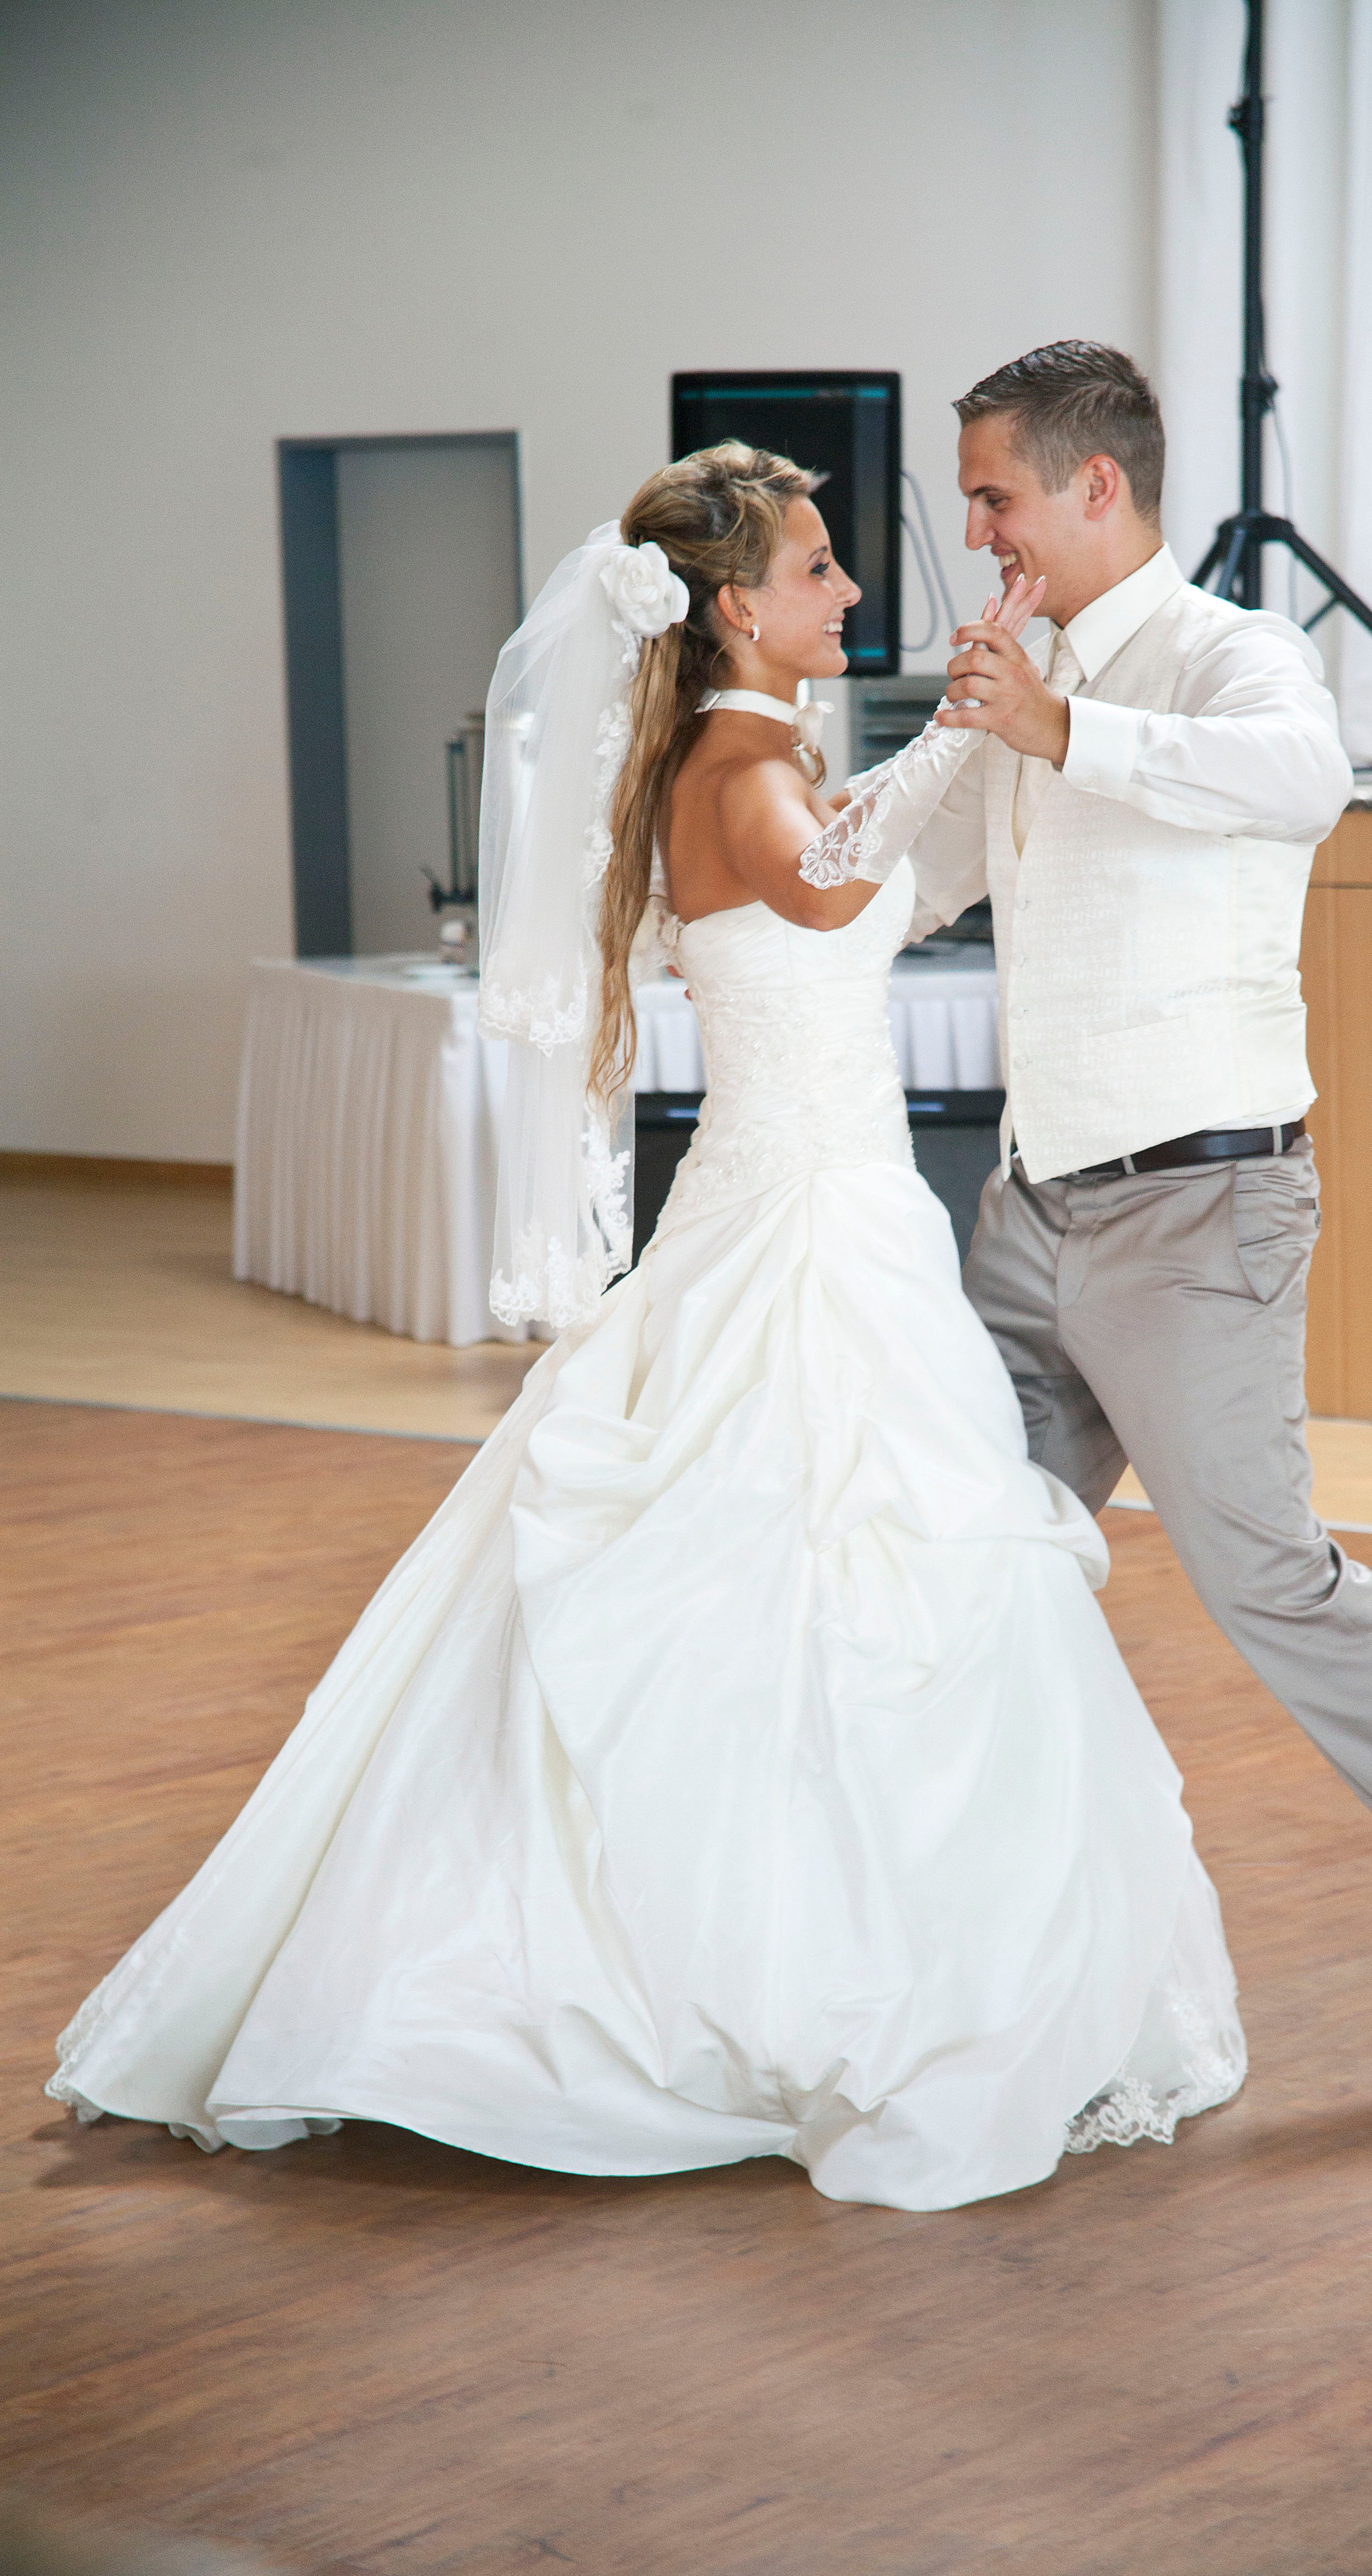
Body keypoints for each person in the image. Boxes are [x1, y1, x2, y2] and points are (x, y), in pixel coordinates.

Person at [46, 443, 1245, 2214]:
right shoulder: (735, 763)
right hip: (804, 1228)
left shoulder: (760, 750)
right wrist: (985, 721)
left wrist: (991, 734)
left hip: (828, 1211)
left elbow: (878, 897)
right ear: (735, 608)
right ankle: (757, 1973)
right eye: (822, 571)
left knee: (860, 1583)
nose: (851, 595)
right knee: (820, 1575)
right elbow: (842, 887)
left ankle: (846, 1931)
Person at [888, 341, 1372, 2096]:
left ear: (1096, 486)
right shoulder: (1026, 678)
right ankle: (927, 1934)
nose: (976, 529)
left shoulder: (1236, 657)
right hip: (1027, 1221)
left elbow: (1306, 788)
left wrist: (1055, 724)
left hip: (1198, 1215)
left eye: (994, 492)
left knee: (1267, 1579)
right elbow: (915, 892)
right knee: (946, 1552)